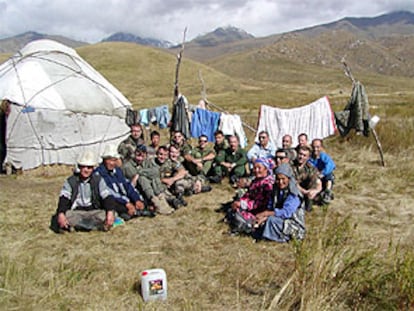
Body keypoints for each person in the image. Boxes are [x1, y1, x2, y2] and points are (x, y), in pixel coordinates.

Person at [53, 150, 115, 232]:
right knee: (65, 215)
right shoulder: (71, 181)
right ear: (79, 167)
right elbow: (64, 197)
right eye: (83, 167)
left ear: (93, 168)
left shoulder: (98, 180)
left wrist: (110, 212)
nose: (86, 170)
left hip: (94, 211)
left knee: (110, 214)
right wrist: (61, 214)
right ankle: (93, 226)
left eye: (89, 167)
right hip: (77, 211)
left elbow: (106, 196)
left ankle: (78, 227)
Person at [94, 144, 153, 221]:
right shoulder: (99, 173)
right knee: (112, 202)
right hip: (112, 199)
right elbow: (109, 192)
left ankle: (138, 208)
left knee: (141, 198)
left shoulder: (117, 171)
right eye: (109, 160)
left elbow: (127, 185)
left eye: (114, 160)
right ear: (104, 160)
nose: (112, 163)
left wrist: (136, 199)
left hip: (123, 197)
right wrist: (126, 203)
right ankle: (129, 212)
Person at [255, 163, 305, 242]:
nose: (280, 182)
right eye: (278, 179)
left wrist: (266, 214)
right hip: (279, 220)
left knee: (271, 220)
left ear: (288, 179)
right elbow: (271, 206)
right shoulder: (276, 191)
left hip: (293, 224)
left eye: (283, 179)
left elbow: (286, 213)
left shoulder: (294, 194)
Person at [122, 145, 174, 215]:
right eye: (138, 156)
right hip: (136, 190)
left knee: (153, 177)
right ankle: (156, 202)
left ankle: (162, 200)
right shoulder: (127, 166)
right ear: (134, 154)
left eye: (142, 156)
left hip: (150, 189)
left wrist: (139, 173)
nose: (140, 159)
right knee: (142, 178)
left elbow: (156, 171)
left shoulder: (146, 162)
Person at [227, 158, 275, 234]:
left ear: (266, 169)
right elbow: (248, 194)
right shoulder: (256, 180)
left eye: (259, 168)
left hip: (261, 211)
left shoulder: (267, 184)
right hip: (252, 207)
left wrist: (243, 204)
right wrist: (240, 201)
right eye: (255, 168)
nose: (256, 170)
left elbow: (261, 203)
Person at [292, 145, 322, 211]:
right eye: (300, 154)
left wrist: (315, 191)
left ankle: (308, 208)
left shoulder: (311, 168)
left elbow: (318, 182)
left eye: (304, 155)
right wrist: (304, 192)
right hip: (294, 190)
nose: (301, 157)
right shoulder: (291, 165)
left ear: (308, 157)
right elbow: (293, 183)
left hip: (306, 191)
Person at [309, 138, 336, 203]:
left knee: (329, 175)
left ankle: (327, 192)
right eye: (313, 147)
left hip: (323, 176)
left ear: (321, 147)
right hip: (314, 177)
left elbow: (331, 165)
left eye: (317, 147)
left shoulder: (323, 156)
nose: (315, 149)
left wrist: (322, 173)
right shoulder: (309, 157)